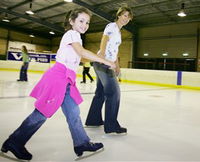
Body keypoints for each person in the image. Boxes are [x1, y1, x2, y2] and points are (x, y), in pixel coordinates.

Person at [1, 8, 116, 160]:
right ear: (71, 21)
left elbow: (80, 56)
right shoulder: (71, 34)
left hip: (67, 81)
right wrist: (105, 61)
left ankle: (82, 143)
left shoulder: (77, 38)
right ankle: (14, 142)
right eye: (81, 21)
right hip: (58, 79)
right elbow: (81, 52)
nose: (85, 25)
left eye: (87, 22)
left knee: (73, 113)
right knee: (42, 113)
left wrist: (96, 56)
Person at [85, 7, 133, 134]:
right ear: (118, 15)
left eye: (128, 17)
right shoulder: (111, 26)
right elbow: (105, 39)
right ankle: (111, 125)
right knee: (114, 93)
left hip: (106, 63)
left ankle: (93, 120)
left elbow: (115, 50)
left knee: (100, 93)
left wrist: (117, 65)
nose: (126, 18)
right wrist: (101, 55)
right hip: (103, 63)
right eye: (124, 15)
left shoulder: (118, 32)